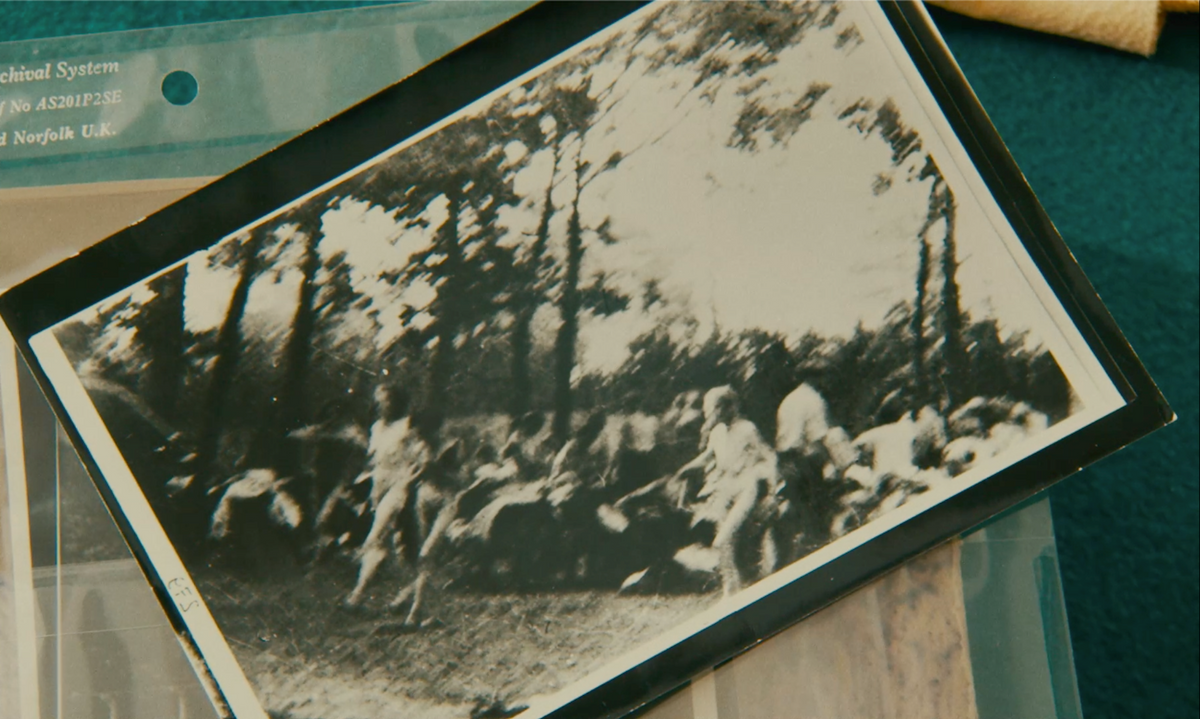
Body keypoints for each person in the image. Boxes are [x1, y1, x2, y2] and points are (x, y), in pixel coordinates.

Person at [675, 386, 782, 597]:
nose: (707, 413)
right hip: (726, 487)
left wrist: (773, 489)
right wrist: (686, 468)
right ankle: (731, 589)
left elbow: (769, 456)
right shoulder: (717, 432)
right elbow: (708, 456)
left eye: (713, 408)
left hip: (746, 486)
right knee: (725, 542)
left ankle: (742, 585)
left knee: (724, 538)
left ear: (727, 408)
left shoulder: (747, 429)